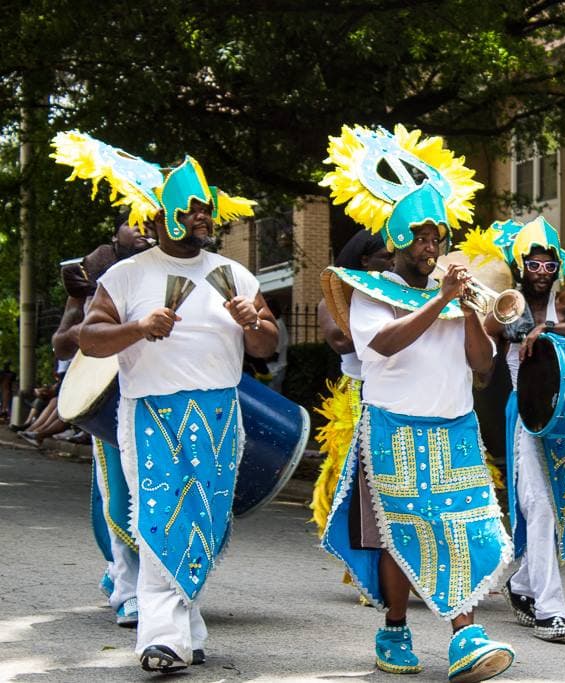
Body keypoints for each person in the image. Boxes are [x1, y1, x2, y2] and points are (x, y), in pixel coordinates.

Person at [62, 134, 266, 673]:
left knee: (205, 523)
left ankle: (187, 622)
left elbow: (268, 344)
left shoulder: (237, 274)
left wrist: (254, 322)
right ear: (163, 216)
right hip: (153, 412)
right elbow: (89, 339)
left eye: (206, 210)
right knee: (160, 518)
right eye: (193, 209)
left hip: (221, 414)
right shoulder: (127, 275)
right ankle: (162, 635)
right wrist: (137, 327)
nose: (203, 218)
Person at [319, 124, 514, 682]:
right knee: (401, 532)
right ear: (400, 240)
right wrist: (440, 304)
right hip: (394, 428)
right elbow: (381, 343)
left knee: (464, 528)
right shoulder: (369, 291)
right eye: (421, 238)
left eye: (437, 237)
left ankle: (466, 636)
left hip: (454, 428)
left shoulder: (455, 294)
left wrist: (471, 312)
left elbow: (482, 365)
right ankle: (396, 627)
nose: (431, 247)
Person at [460, 217, 565, 642]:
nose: (542, 272)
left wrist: (548, 328)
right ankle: (551, 610)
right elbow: (482, 365)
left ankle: (522, 583)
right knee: (538, 506)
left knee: (562, 511)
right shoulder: (506, 305)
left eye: (549, 265)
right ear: (521, 265)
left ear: (558, 266)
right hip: (525, 418)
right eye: (534, 265)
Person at [50, 218, 155, 626]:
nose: (143, 229)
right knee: (119, 494)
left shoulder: (181, 266)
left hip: (166, 394)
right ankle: (128, 589)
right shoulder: (96, 275)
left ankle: (154, 585)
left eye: (151, 220)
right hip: (112, 396)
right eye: (133, 222)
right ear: (115, 233)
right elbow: (61, 343)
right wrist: (89, 320)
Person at [311, 229, 393, 536]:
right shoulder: (331, 299)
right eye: (387, 258)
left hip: (395, 394)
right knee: (356, 480)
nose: (393, 264)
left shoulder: (399, 296)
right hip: (357, 395)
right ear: (365, 260)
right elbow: (343, 341)